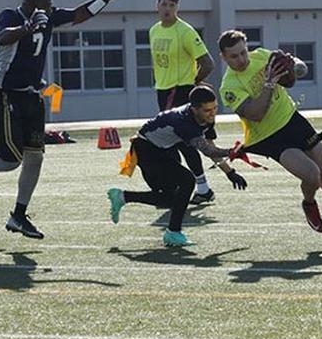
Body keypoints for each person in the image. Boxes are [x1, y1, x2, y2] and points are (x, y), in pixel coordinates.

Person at [0, 0, 129, 239]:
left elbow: (81, 14)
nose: (50, 10)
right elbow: (2, 36)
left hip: (32, 96)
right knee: (11, 160)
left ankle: (19, 216)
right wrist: (28, 27)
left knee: (35, 157)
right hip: (7, 94)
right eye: (46, 6)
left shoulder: (49, 17)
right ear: (33, 5)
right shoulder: (12, 15)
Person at [217, 30, 322, 249]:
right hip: (269, 136)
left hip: (292, 119)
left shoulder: (262, 56)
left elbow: (294, 69)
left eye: (243, 52)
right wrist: (268, 84)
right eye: (234, 56)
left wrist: (294, 64)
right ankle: (309, 202)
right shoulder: (229, 86)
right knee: (313, 175)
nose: (241, 59)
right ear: (223, 58)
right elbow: (256, 114)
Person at [106, 86, 247, 247]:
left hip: (163, 149)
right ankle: (173, 232)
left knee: (171, 199)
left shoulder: (205, 117)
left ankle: (123, 196)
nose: (213, 113)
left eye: (215, 108)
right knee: (186, 181)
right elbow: (207, 150)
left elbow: (210, 146)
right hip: (146, 149)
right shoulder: (183, 122)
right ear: (194, 109)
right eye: (208, 110)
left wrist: (230, 172)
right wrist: (232, 152)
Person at [149, 0, 216, 204]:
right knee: (171, 142)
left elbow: (208, 63)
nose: (167, 9)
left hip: (180, 91)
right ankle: (180, 187)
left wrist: (193, 83)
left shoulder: (185, 31)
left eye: (172, 5)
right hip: (163, 91)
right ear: (157, 5)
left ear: (177, 8)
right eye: (164, 4)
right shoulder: (154, 31)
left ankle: (199, 188)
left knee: (184, 143)